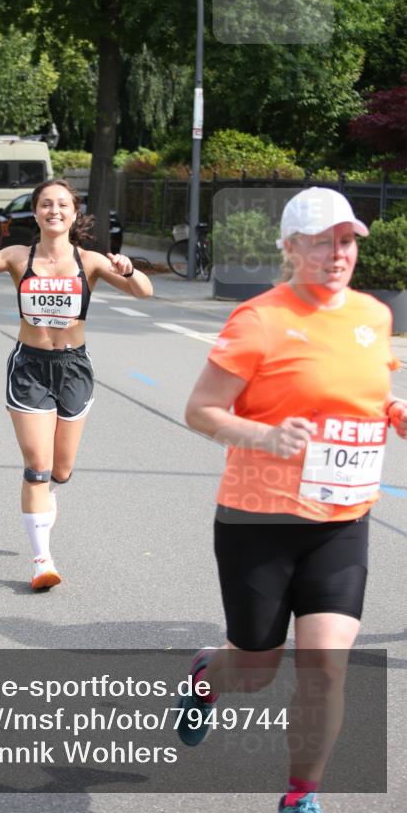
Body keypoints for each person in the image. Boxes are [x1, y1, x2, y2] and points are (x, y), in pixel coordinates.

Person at [180, 187, 407, 813]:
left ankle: (301, 796)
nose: (338, 254)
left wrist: (392, 410)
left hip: (342, 519)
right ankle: (210, 674)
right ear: (290, 247)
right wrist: (267, 436)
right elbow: (201, 411)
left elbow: (363, 387)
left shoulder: (373, 315)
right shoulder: (259, 320)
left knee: (326, 665)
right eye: (321, 241)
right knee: (254, 670)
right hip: (260, 518)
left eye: (346, 240)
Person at [0, 179, 153, 590]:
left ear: (73, 214)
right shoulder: (15, 256)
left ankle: (48, 498)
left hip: (74, 368)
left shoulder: (91, 261)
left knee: (61, 470)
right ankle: (42, 560)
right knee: (37, 467)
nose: (53, 210)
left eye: (62, 204)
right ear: (36, 212)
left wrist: (131, 271)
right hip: (29, 368)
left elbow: (144, 293)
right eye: (46, 204)